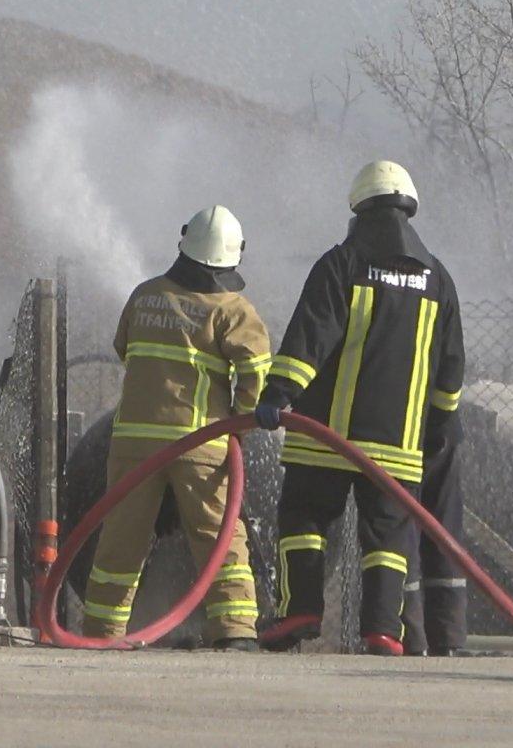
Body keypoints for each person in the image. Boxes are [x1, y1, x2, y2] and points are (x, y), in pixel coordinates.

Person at [255, 161, 464, 656]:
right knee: (389, 535)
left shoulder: (342, 262)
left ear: (359, 207)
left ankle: (301, 608)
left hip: (324, 438)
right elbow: (450, 372)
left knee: (305, 516)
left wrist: (277, 393)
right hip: (397, 446)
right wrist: (434, 428)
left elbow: (312, 335)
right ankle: (382, 630)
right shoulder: (438, 279)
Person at [82, 205, 271, 651]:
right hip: (199, 440)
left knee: (121, 540)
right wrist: (239, 422)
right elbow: (257, 372)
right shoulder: (233, 310)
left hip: (132, 440)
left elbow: (125, 349)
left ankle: (100, 634)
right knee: (219, 534)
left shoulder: (145, 295)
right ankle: (235, 630)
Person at [402, 411, 467, 656]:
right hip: (442, 427)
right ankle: (446, 636)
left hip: (400, 431)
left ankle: (411, 638)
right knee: (443, 529)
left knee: (400, 528)